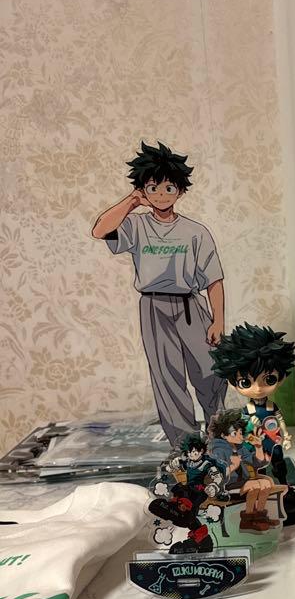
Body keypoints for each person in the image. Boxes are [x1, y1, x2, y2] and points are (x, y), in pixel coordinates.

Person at [91, 141, 227, 445]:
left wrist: (218, 320)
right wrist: (131, 202)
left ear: (180, 191)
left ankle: (220, 436)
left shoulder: (195, 232)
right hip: (154, 307)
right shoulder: (136, 226)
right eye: (153, 188)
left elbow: (214, 279)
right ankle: (186, 446)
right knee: (167, 377)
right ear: (143, 190)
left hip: (191, 305)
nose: (161, 195)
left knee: (210, 370)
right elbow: (99, 230)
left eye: (169, 188)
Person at [209, 323, 295, 486]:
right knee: (259, 466)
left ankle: (284, 484)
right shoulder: (246, 411)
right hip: (256, 442)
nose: (258, 389)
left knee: (278, 462)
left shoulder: (272, 406)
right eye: (246, 382)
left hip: (274, 439)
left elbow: (280, 420)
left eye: (269, 379)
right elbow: (242, 430)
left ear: (281, 378)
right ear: (231, 383)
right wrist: (250, 427)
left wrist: (286, 436)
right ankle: (264, 484)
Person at [207, 408, 283, 533]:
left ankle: (259, 517)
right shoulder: (217, 450)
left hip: (242, 483)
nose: (239, 436)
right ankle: (247, 520)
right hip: (226, 487)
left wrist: (258, 447)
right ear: (223, 435)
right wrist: (233, 466)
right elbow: (216, 475)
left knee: (266, 483)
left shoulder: (240, 448)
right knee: (254, 486)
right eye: (234, 433)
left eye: (240, 432)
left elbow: (257, 463)